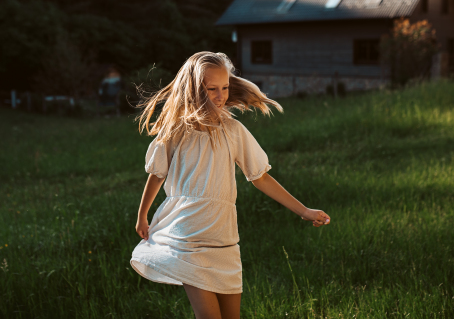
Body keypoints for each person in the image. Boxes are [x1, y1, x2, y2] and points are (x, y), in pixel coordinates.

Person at [130, 52, 331, 319]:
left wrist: (304, 211)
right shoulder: (175, 131)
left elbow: (260, 177)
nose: (220, 95)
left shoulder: (233, 130)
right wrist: (142, 214)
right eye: (211, 88)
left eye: (224, 87)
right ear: (193, 89)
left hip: (223, 238)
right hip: (187, 236)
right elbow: (157, 174)